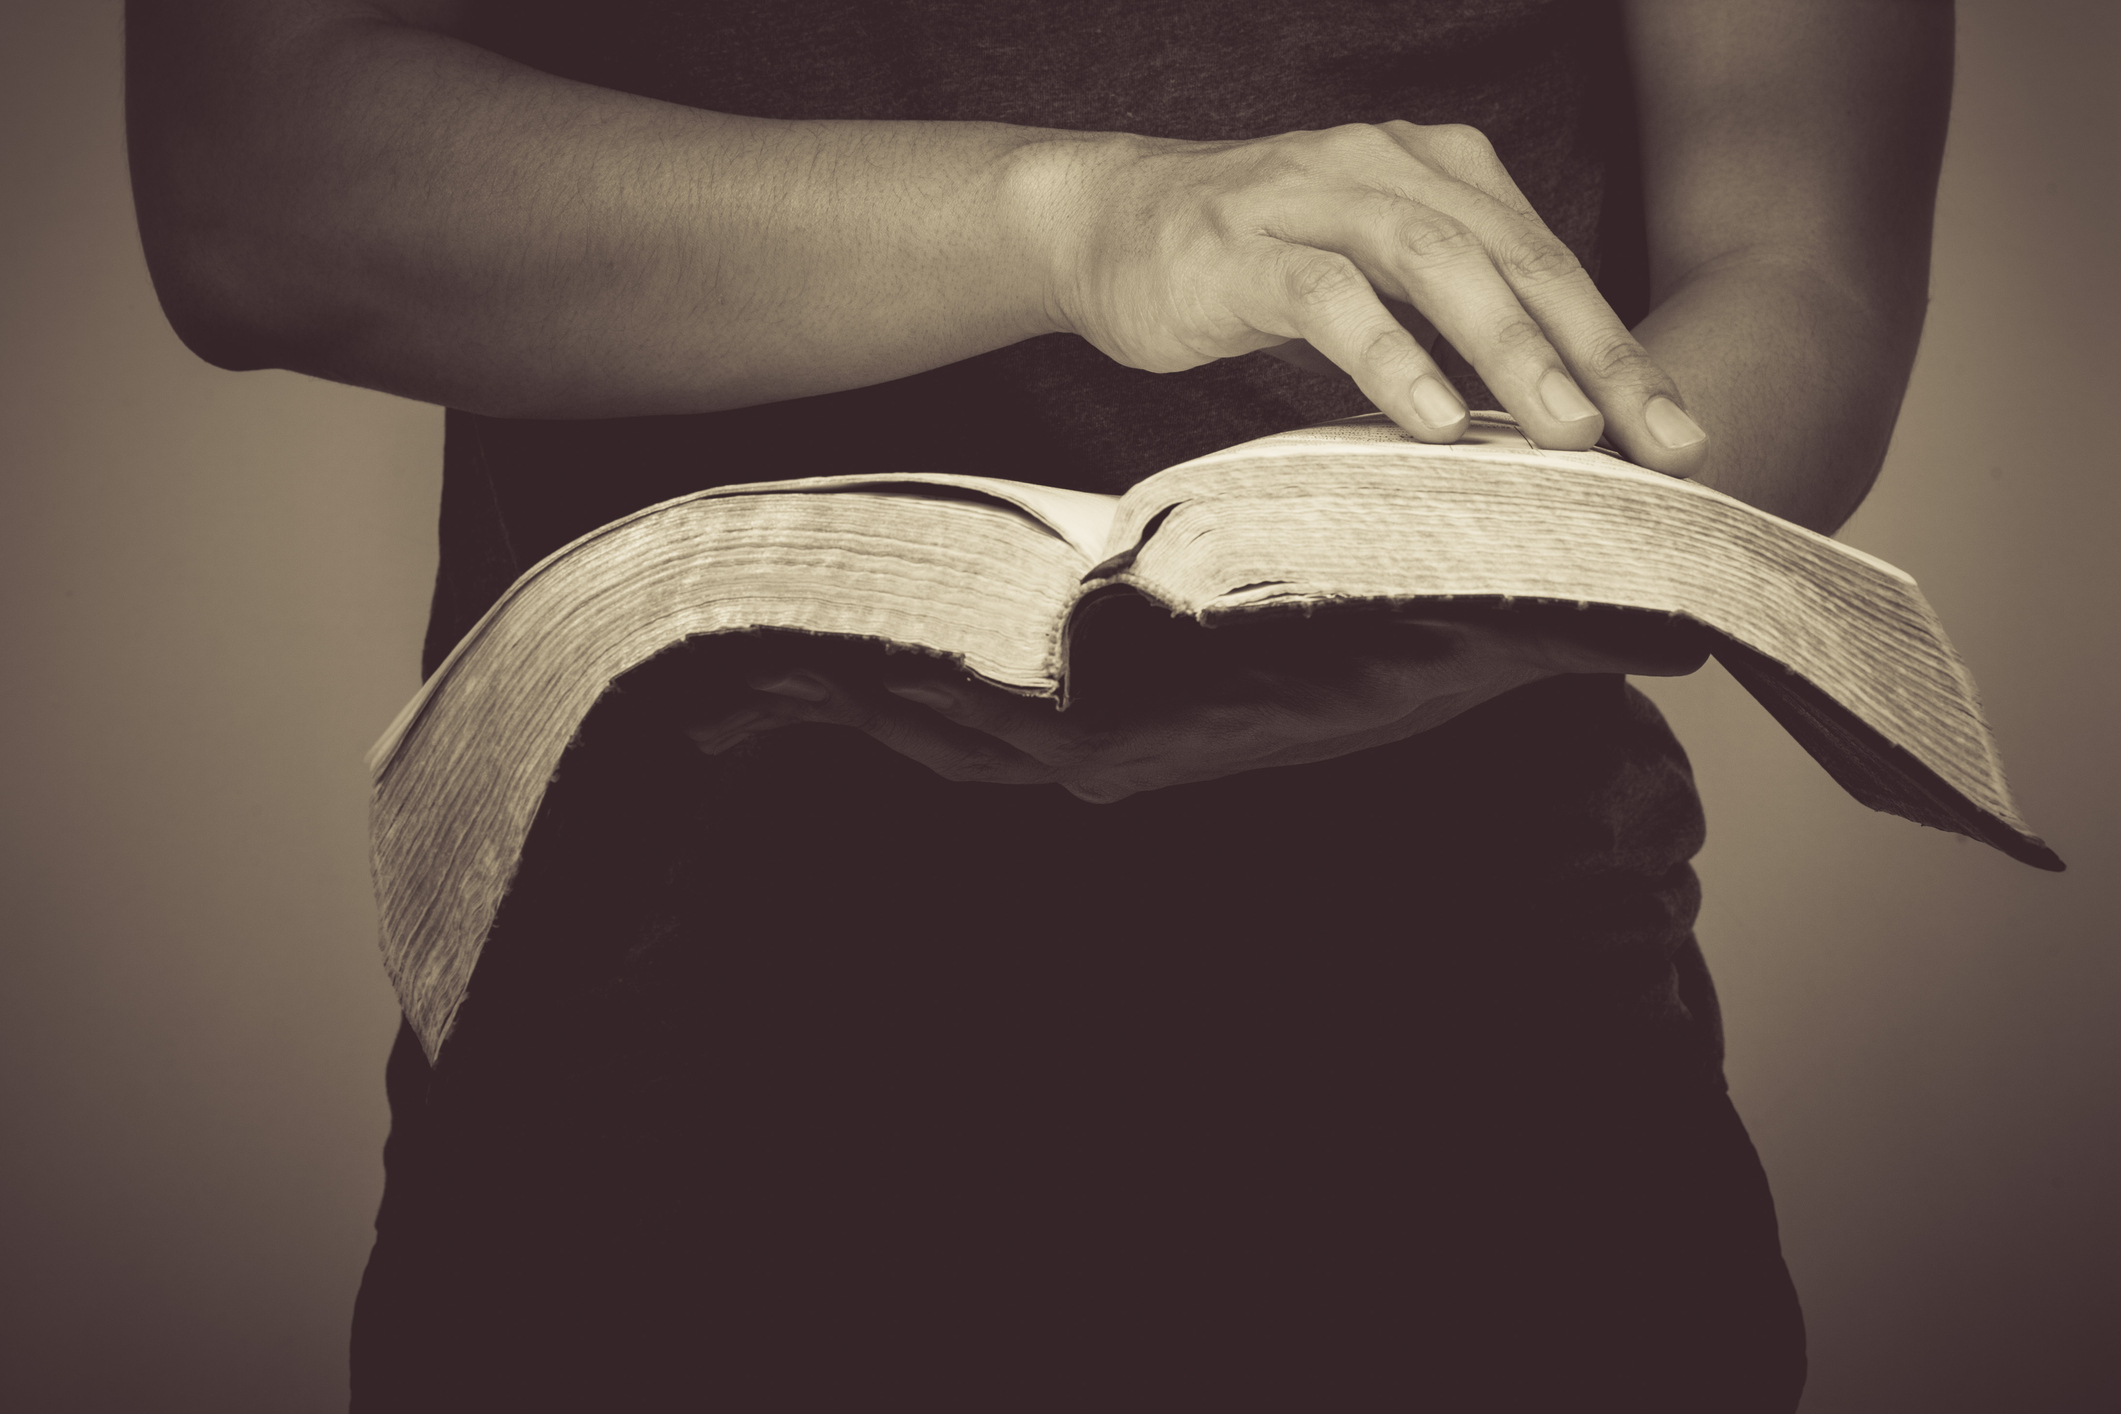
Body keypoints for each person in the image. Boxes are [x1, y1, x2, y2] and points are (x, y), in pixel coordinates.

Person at [127, 1, 1953, 1408]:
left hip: (1485, 1129)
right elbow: (250, 180)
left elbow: (1802, 271)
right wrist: (1081, 221)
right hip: (645, 1134)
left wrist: (1464, 554)